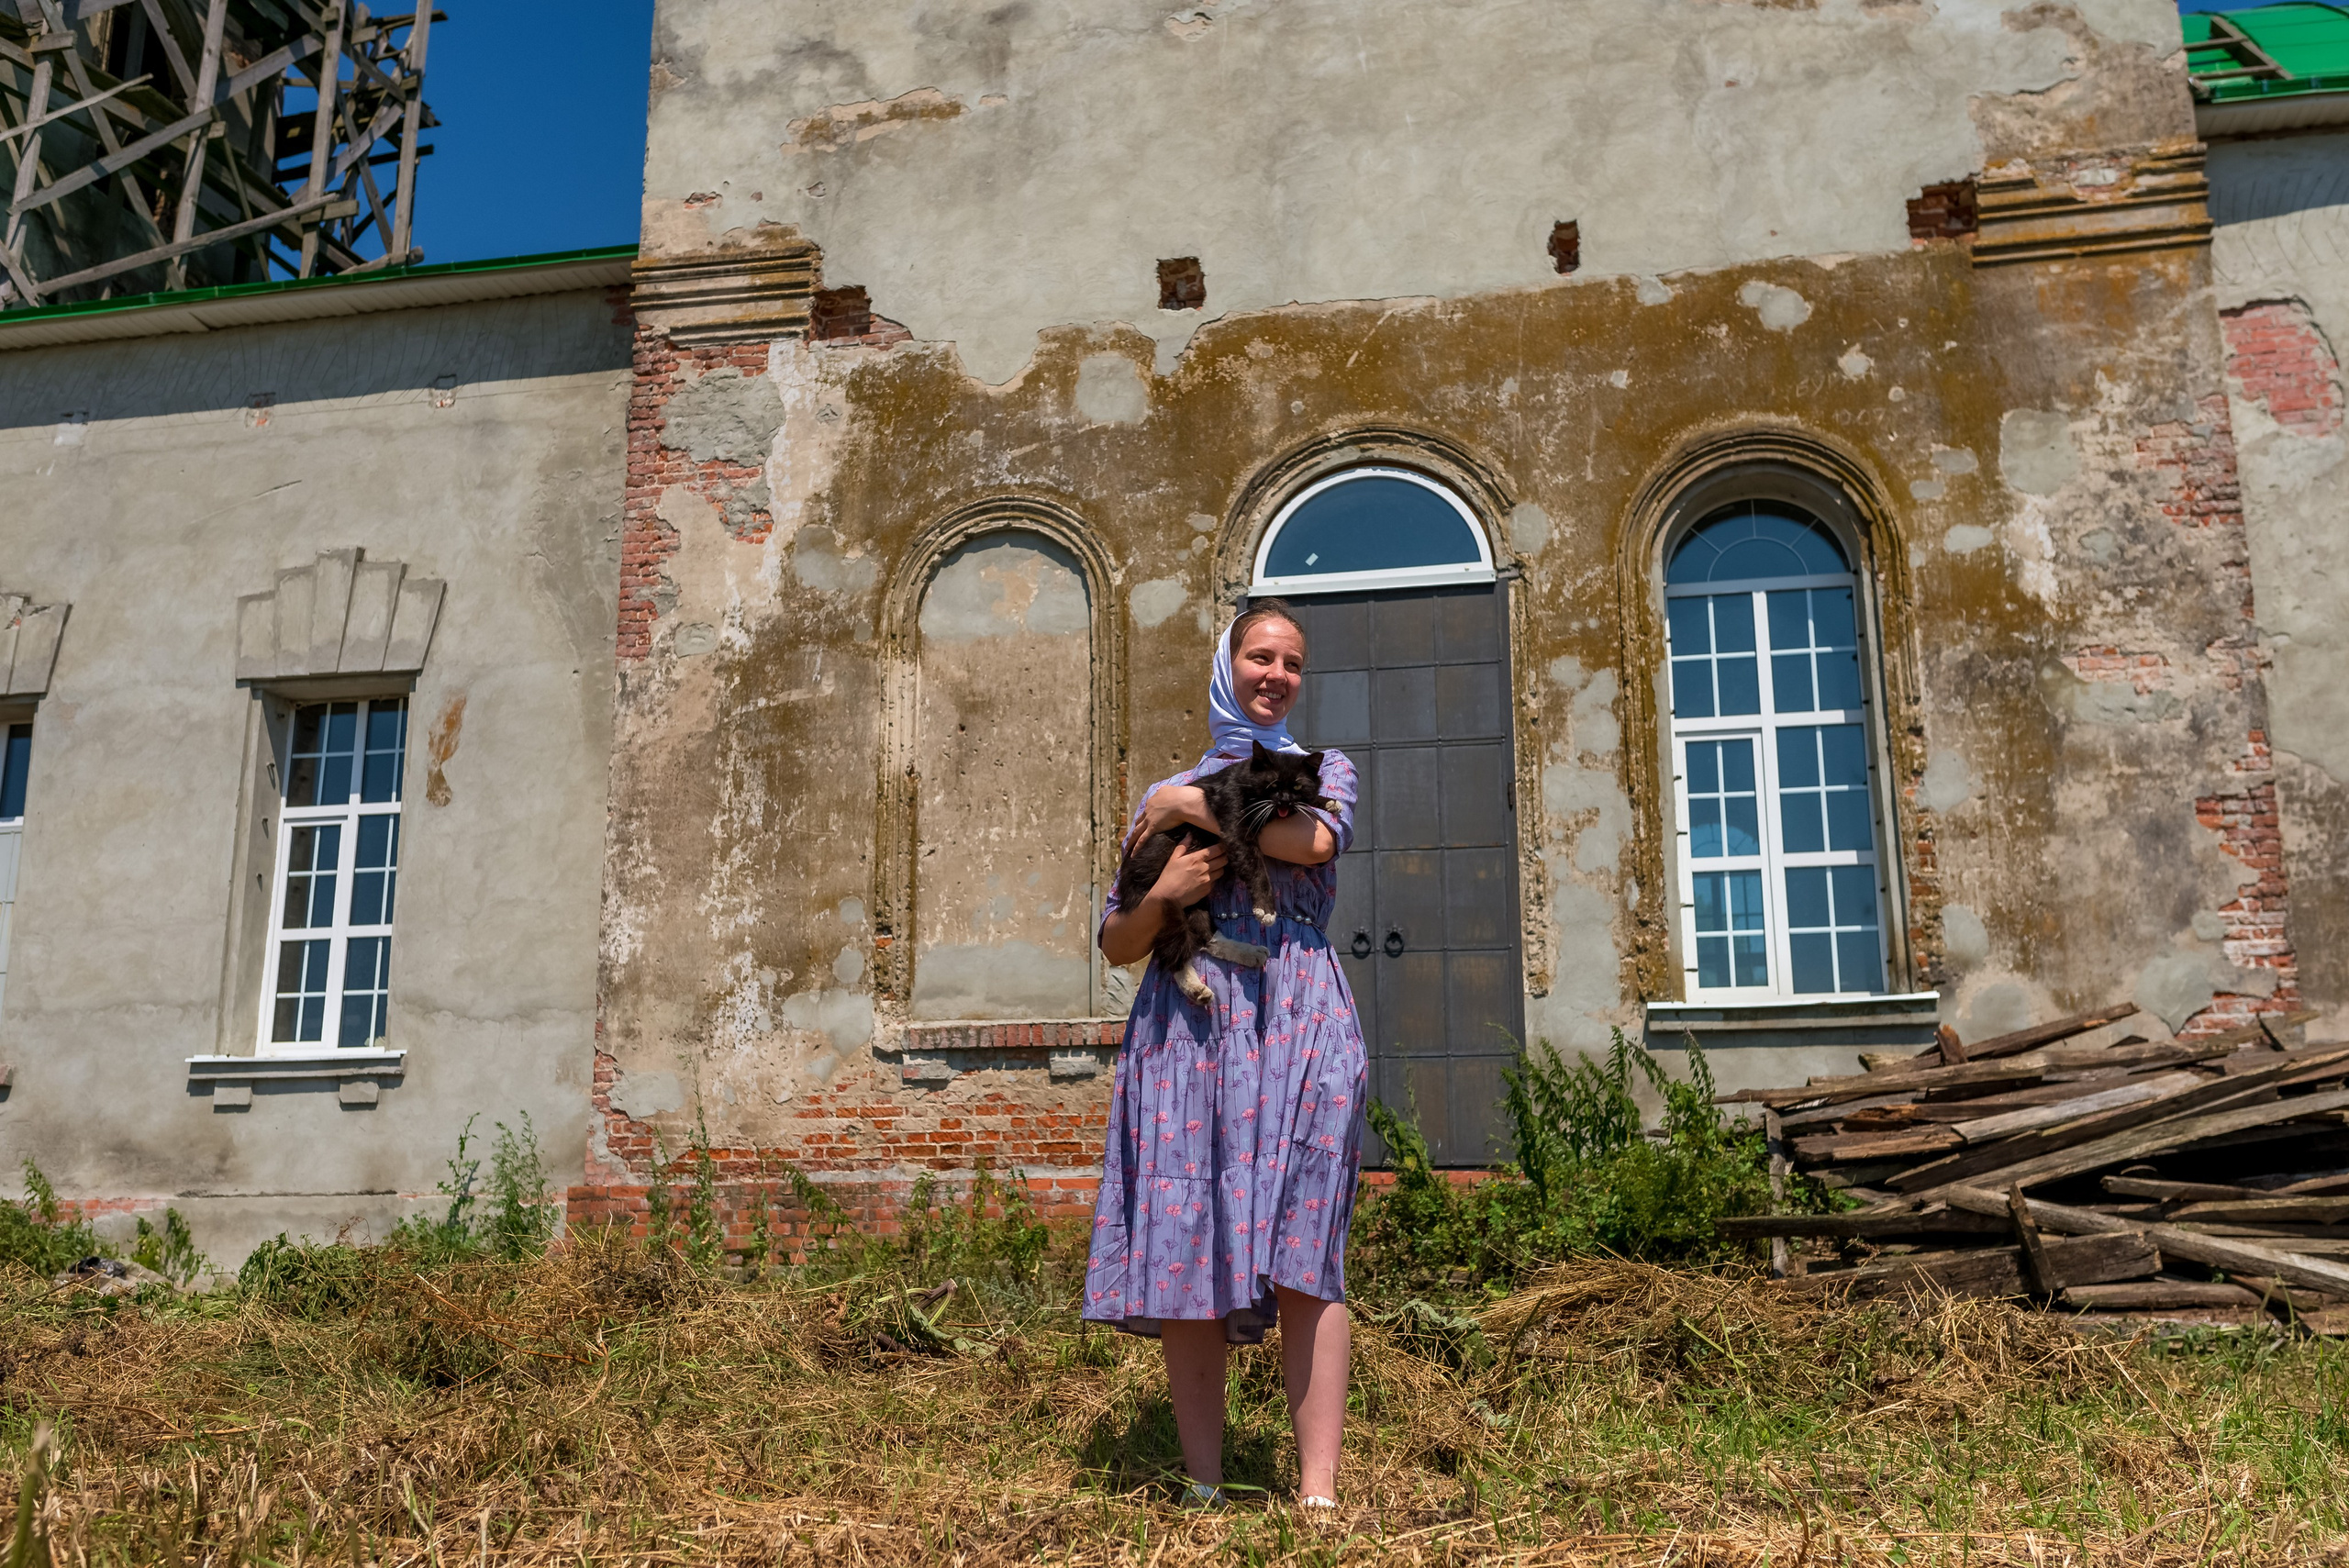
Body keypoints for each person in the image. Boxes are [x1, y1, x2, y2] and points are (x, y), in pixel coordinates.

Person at [1084, 598, 1366, 1513]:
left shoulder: (1325, 772)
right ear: (1227, 661)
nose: (1275, 673)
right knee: (1188, 1247)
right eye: (1259, 654)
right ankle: (1203, 1485)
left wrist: (1184, 802)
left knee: (1307, 1252)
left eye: (1290, 660)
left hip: (1302, 1017)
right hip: (1189, 1024)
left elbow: (1309, 839)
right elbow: (1117, 943)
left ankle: (1316, 1494)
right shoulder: (1158, 794)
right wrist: (1165, 887)